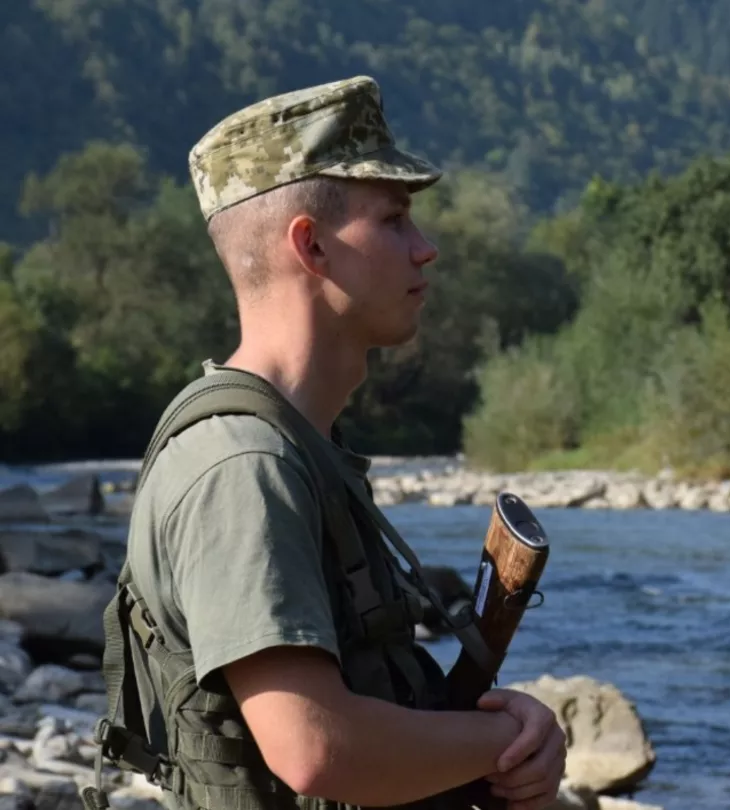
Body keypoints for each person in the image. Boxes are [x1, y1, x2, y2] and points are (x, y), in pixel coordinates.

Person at [85, 76, 566, 810]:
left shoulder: (299, 444)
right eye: (395, 220)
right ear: (311, 247)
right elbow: (314, 746)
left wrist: (494, 732)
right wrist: (512, 744)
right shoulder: (244, 466)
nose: (426, 249)